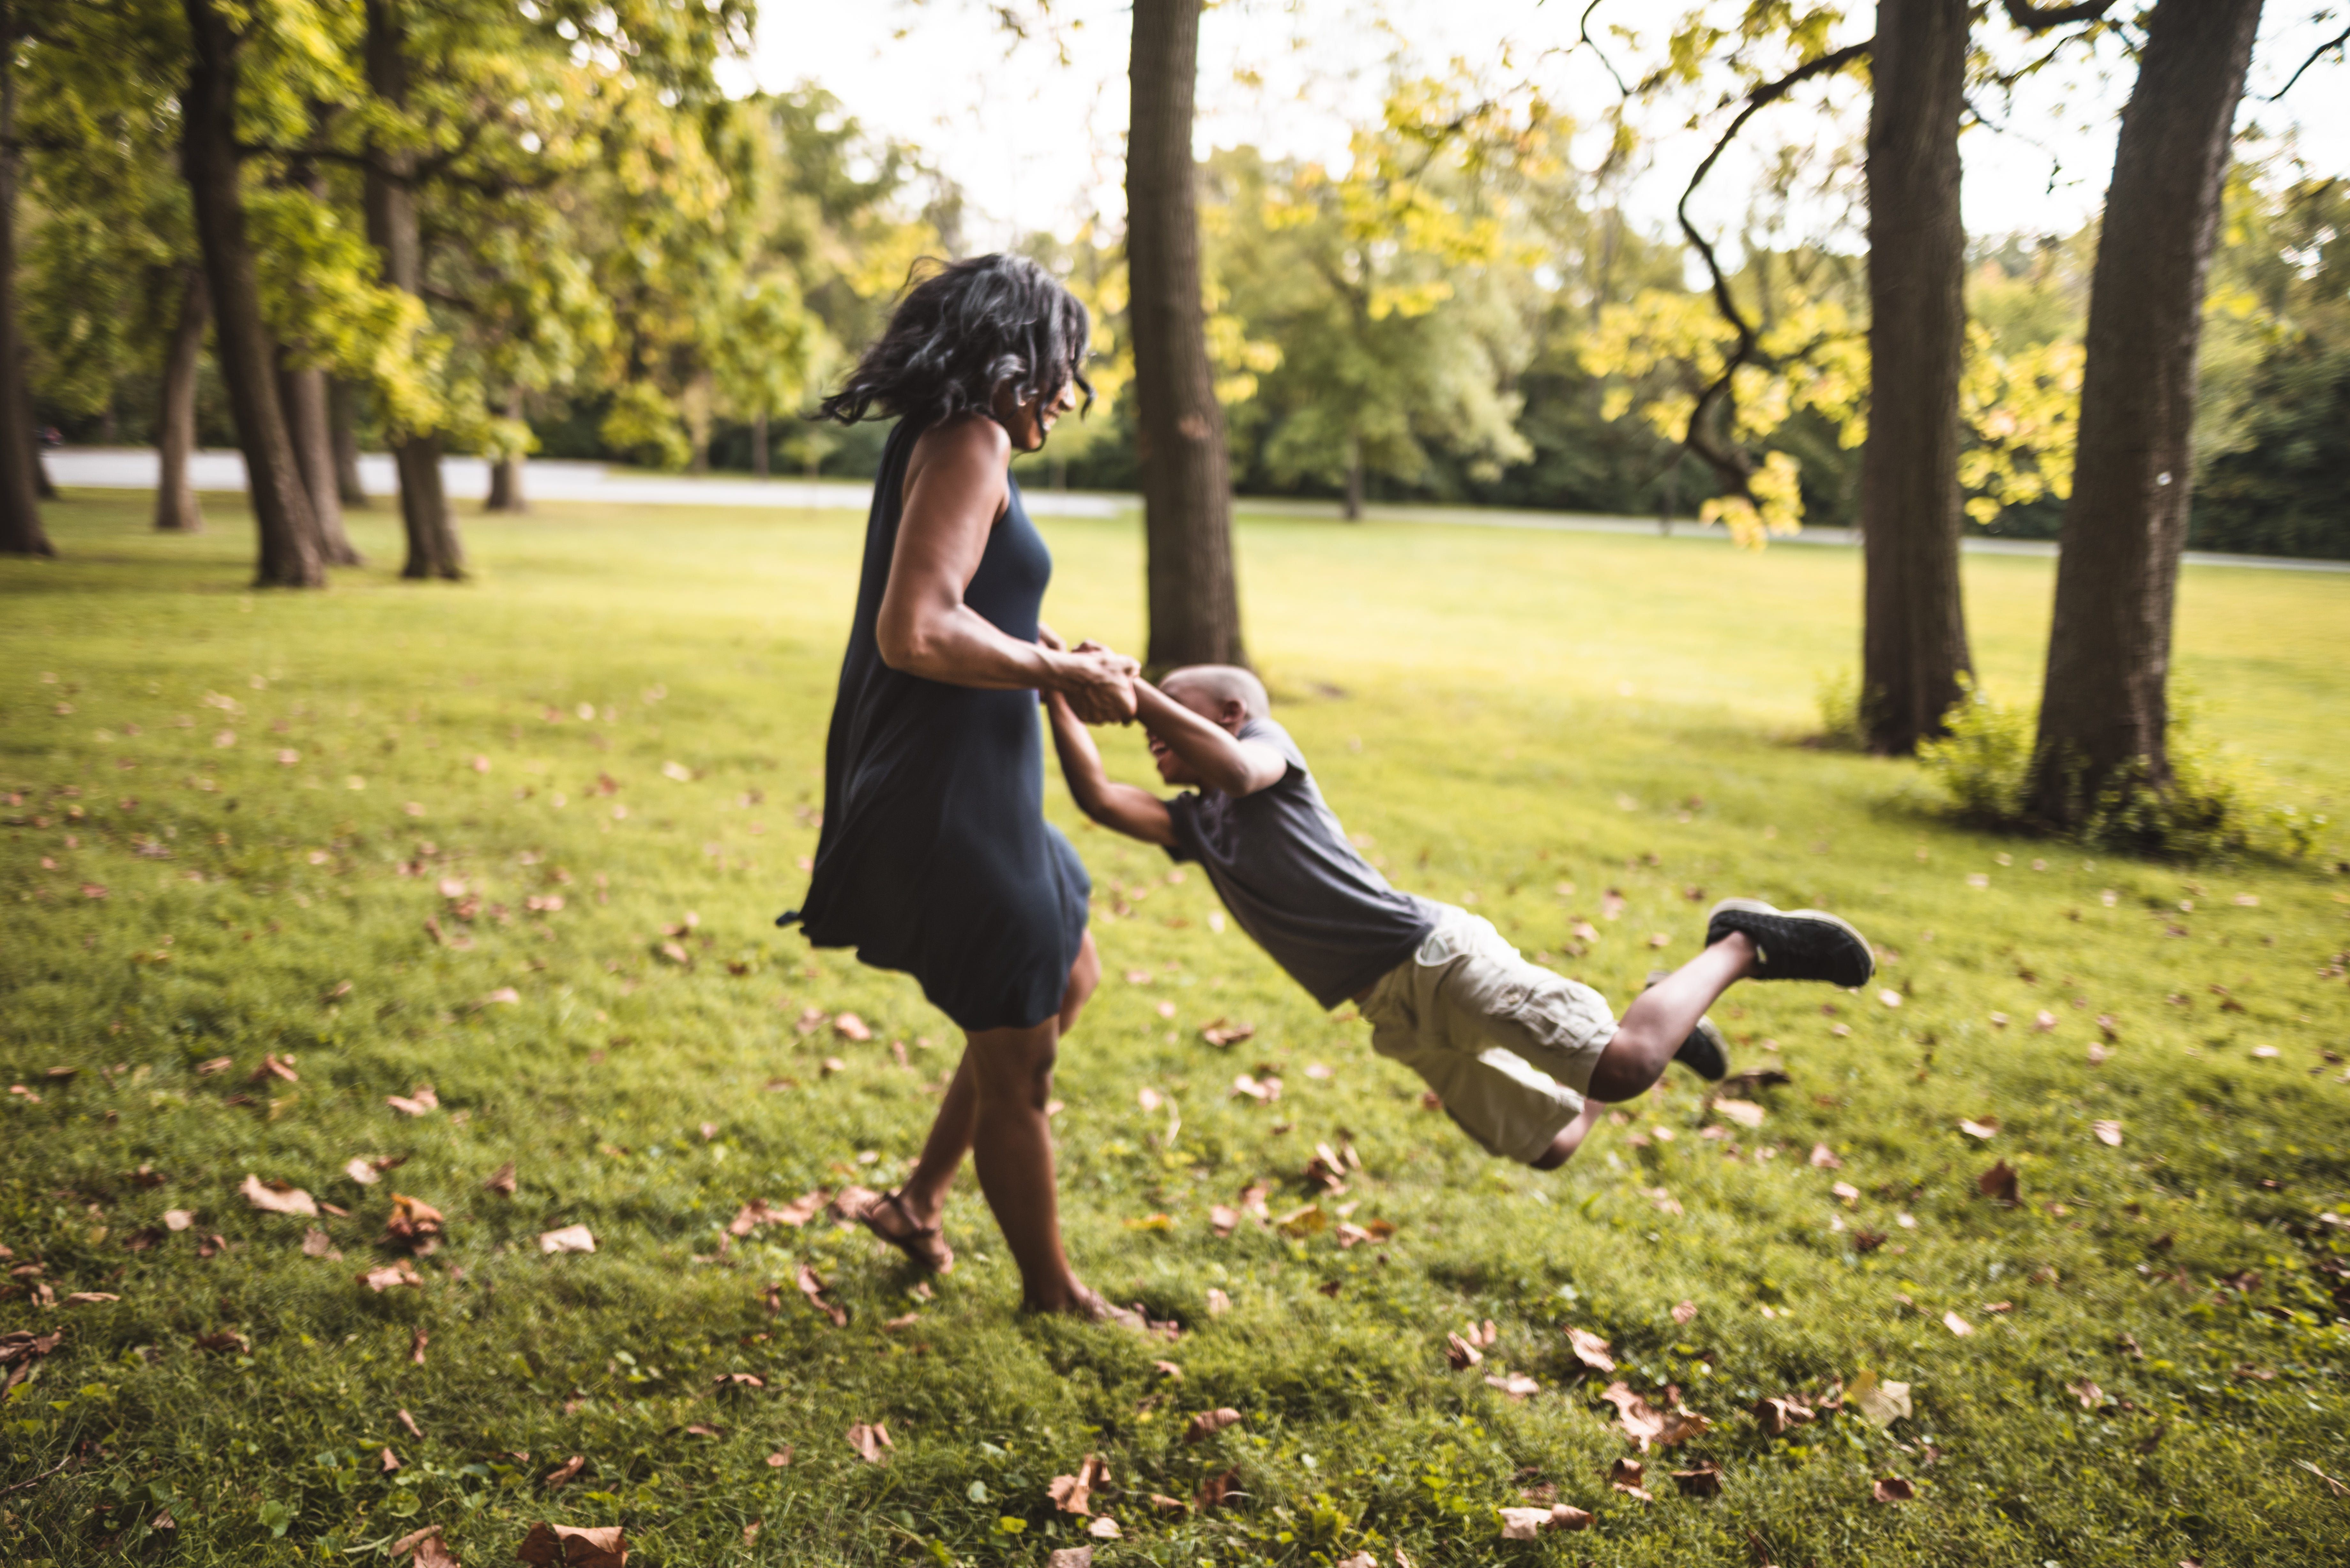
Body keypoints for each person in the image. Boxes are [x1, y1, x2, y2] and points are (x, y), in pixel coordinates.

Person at [1042, 659, 1877, 1169]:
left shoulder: (1269, 755)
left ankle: (1739, 940)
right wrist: (1059, 692)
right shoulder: (1197, 823)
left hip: (1435, 958)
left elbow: (1231, 764)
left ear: (1228, 714)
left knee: (1622, 1070)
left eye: (1174, 713)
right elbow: (1102, 800)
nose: (1153, 734)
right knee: (1549, 1146)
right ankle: (1666, 1006)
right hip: (1390, 1008)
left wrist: (1137, 691)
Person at [781, 254, 1138, 1317]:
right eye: (1062, 366)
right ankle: (1055, 1293)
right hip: (949, 797)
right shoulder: (969, 440)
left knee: (1063, 977)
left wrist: (1049, 656)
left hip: (982, 785)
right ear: (1012, 357)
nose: (1068, 393)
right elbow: (917, 630)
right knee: (1019, 1056)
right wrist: (1055, 670)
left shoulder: (953, 442)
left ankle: (917, 1202)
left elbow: (963, 605)